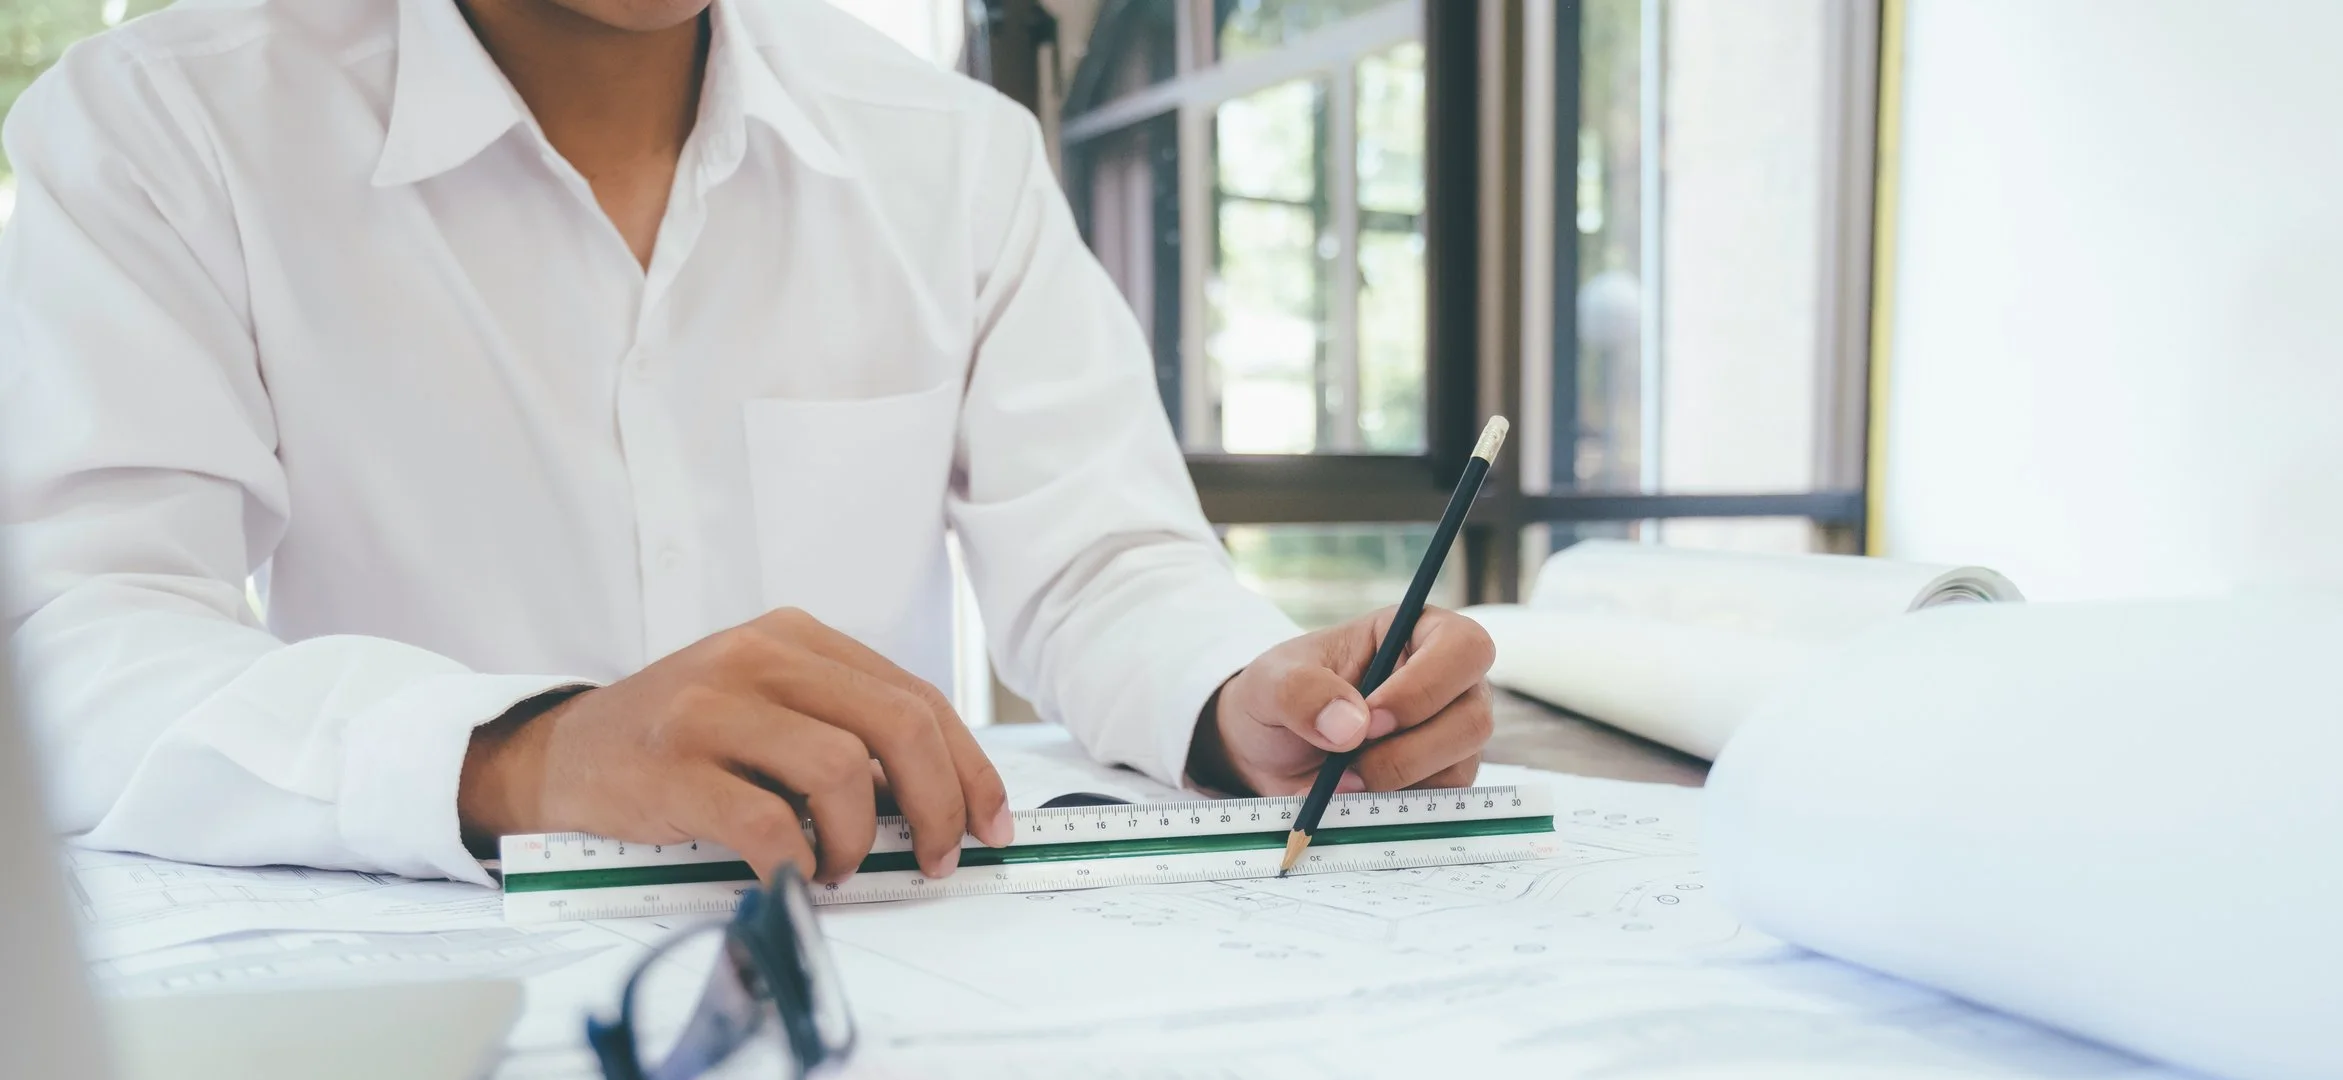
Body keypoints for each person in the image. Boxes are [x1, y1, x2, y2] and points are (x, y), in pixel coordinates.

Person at [0, 0, 1494, 887]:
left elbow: (1100, 563)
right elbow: (78, 636)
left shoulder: (950, 153)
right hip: (427, 973)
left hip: (891, 974)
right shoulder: (172, 123)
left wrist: (1245, 692)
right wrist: (524, 751)